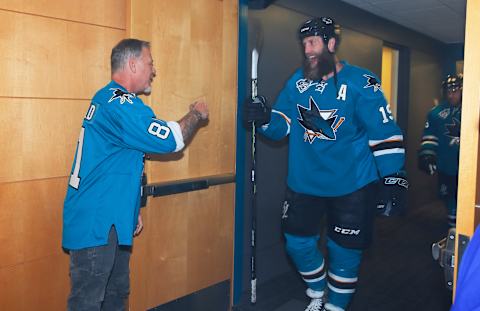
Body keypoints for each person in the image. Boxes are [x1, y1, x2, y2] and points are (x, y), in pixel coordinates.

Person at [244, 17, 407, 311]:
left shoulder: (362, 82)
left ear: (331, 44)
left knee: (343, 251)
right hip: (304, 184)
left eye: (314, 42)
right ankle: (318, 291)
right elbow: (282, 124)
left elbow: (384, 133)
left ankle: (336, 307)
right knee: (296, 243)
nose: (307, 49)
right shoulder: (297, 82)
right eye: (304, 43)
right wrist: (264, 119)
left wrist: (393, 178)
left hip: (352, 184)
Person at [62, 38, 208, 310]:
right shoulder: (120, 102)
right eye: (150, 63)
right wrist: (196, 114)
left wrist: (129, 208)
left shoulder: (110, 99)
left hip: (111, 216)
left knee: (116, 294)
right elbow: (172, 140)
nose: (154, 70)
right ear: (132, 64)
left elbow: (117, 159)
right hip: (96, 222)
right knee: (88, 302)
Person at [418, 74, 462, 228]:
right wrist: (427, 154)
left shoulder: (472, 108)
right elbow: (429, 136)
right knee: (449, 198)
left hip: (468, 169)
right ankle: (454, 233)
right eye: (448, 91)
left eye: (455, 91)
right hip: (446, 166)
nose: (451, 95)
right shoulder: (436, 113)